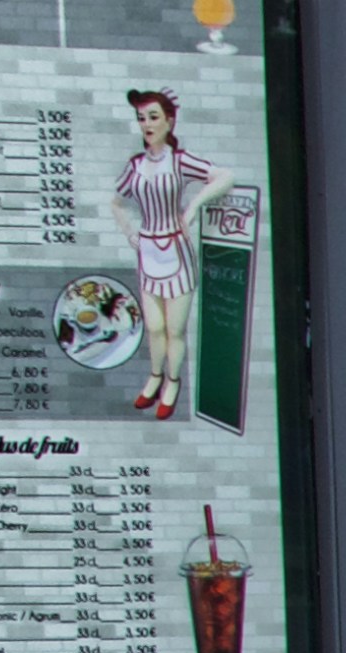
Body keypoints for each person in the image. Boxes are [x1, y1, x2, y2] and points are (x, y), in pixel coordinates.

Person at [112, 90, 212, 420]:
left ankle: (172, 381)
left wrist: (194, 206)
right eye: (141, 118)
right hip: (149, 252)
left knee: (175, 329)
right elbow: (117, 200)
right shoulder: (135, 166)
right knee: (154, 327)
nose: (147, 124)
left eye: (153, 117)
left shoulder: (181, 161)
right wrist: (130, 233)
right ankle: (154, 376)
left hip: (177, 252)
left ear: (169, 121)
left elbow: (224, 177)